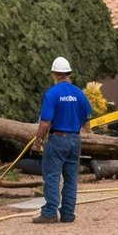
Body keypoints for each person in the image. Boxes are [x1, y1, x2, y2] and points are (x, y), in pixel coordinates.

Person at [32, 56, 93, 224]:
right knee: (71, 178)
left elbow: (45, 122)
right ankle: (67, 214)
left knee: (52, 176)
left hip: (57, 139)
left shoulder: (52, 93)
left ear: (55, 74)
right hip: (75, 140)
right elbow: (86, 118)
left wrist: (38, 141)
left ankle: (50, 212)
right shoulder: (79, 93)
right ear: (68, 74)